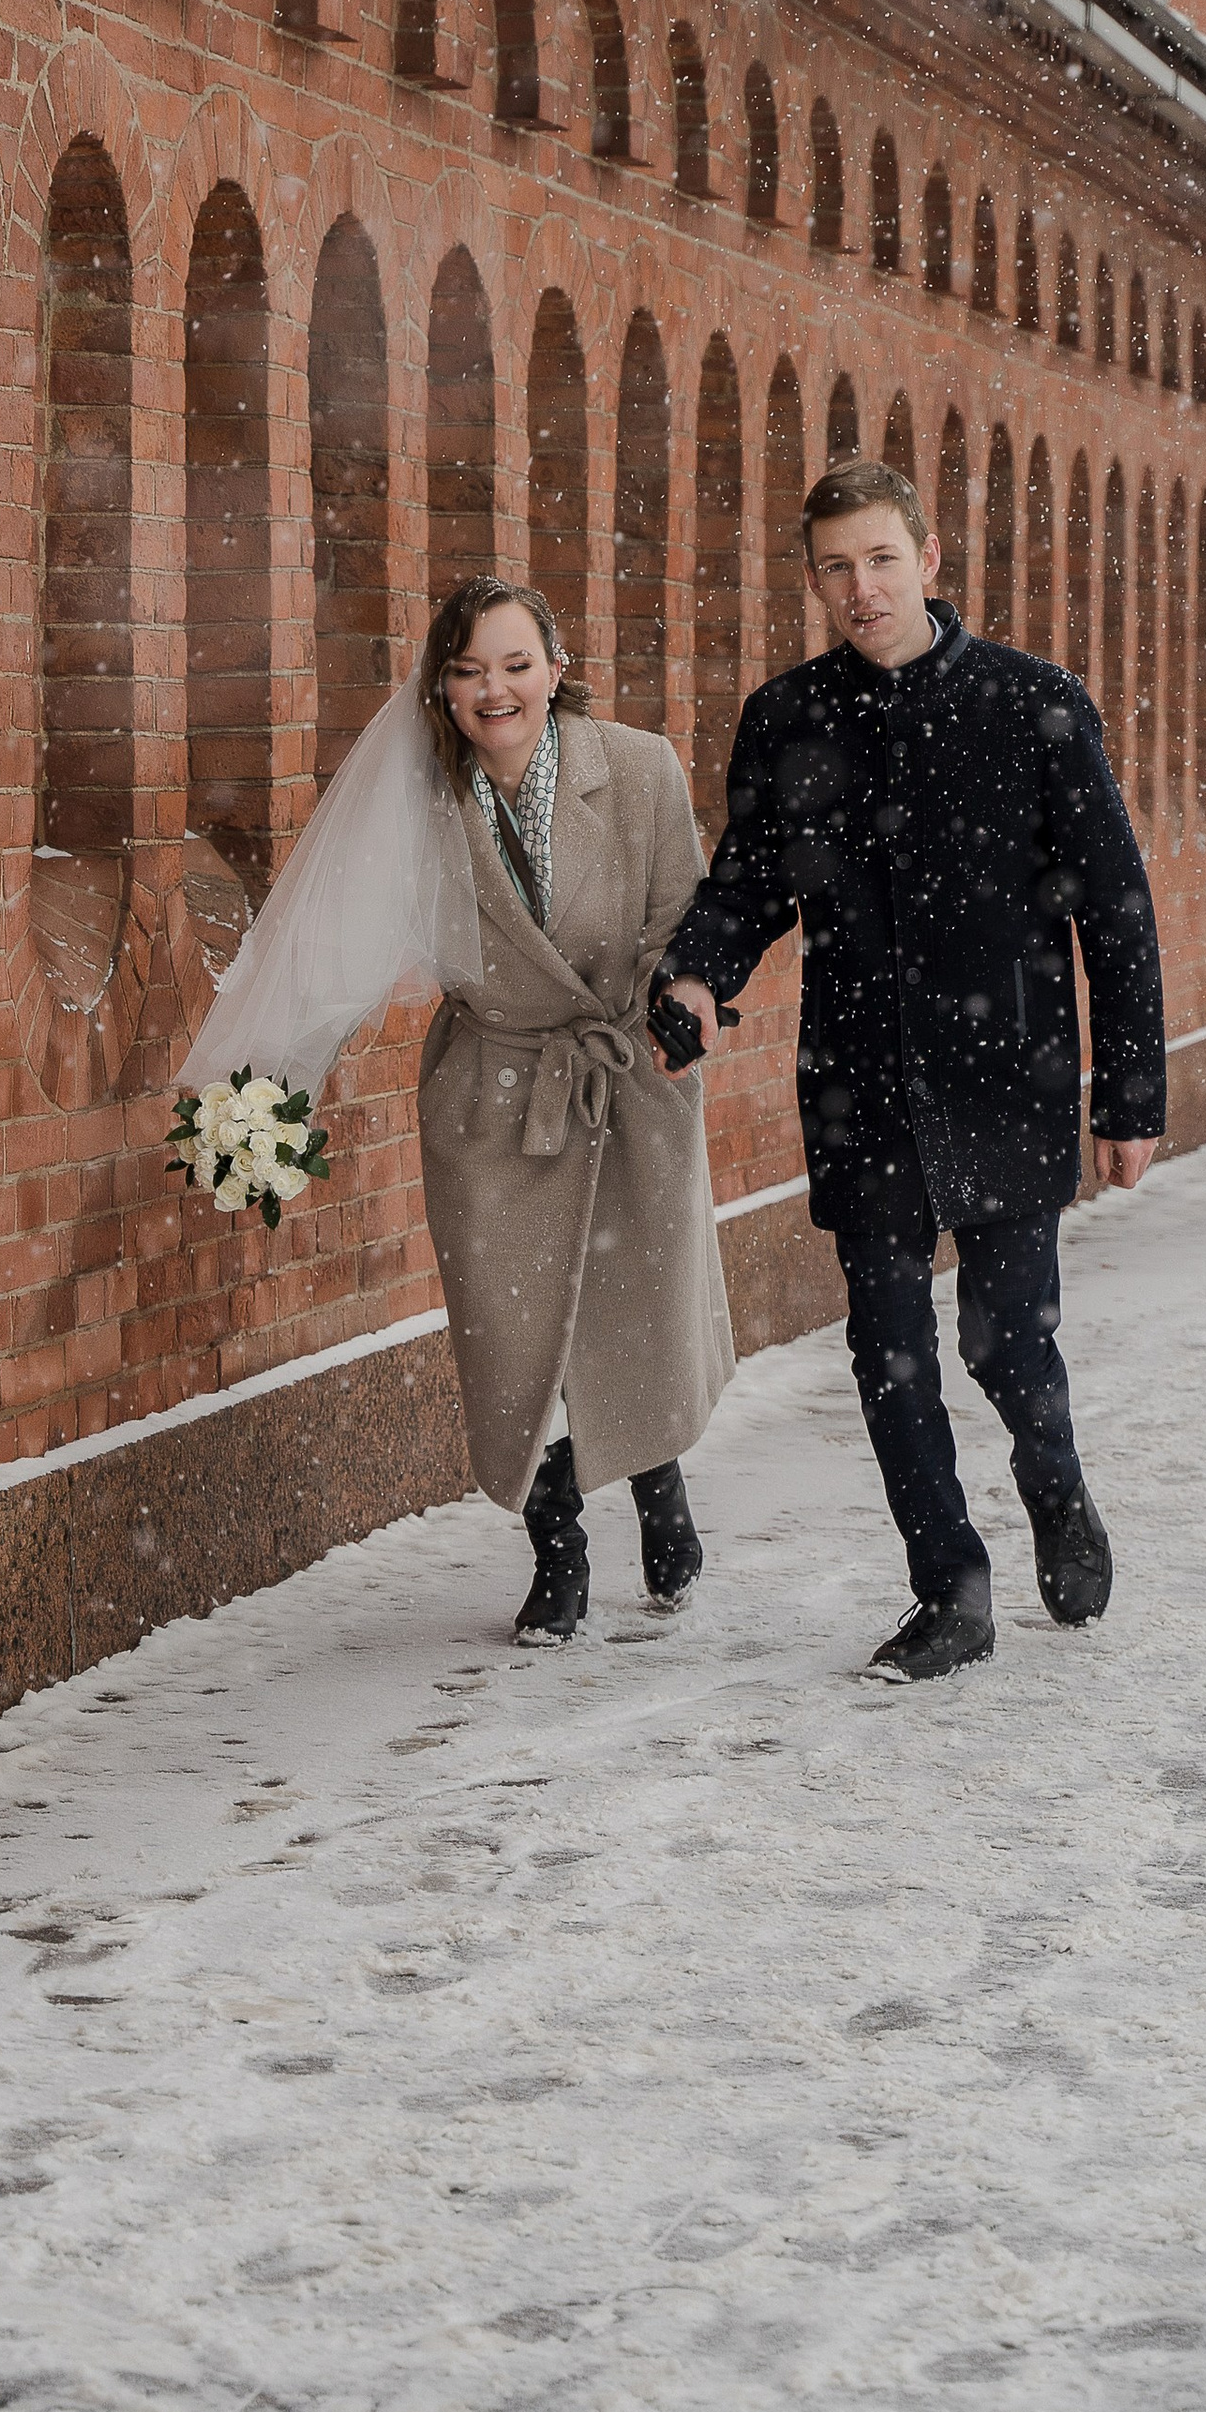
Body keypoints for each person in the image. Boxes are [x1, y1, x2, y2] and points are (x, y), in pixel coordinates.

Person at [657, 459, 1164, 1682]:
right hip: (859, 1082)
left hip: (1008, 1071)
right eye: (836, 567)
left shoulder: (1033, 703)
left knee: (1006, 1343)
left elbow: (1116, 909)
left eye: (881, 560)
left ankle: (1056, 1490)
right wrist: (694, 975)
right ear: (814, 579)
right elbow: (748, 882)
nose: (861, 588)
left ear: (930, 562)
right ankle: (949, 1589)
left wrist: (1130, 1095)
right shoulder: (789, 718)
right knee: (886, 1352)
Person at [414, 578, 736, 1642]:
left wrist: (669, 1011)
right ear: (444, 689)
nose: (492, 689)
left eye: (514, 664)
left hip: (624, 1070)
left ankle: (659, 1488)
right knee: (513, 1328)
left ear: (557, 668)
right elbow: (348, 944)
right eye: (467, 671)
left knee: (632, 1304)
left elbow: (679, 915)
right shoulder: (420, 798)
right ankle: (557, 1545)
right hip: (492, 1089)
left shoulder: (636, 769)